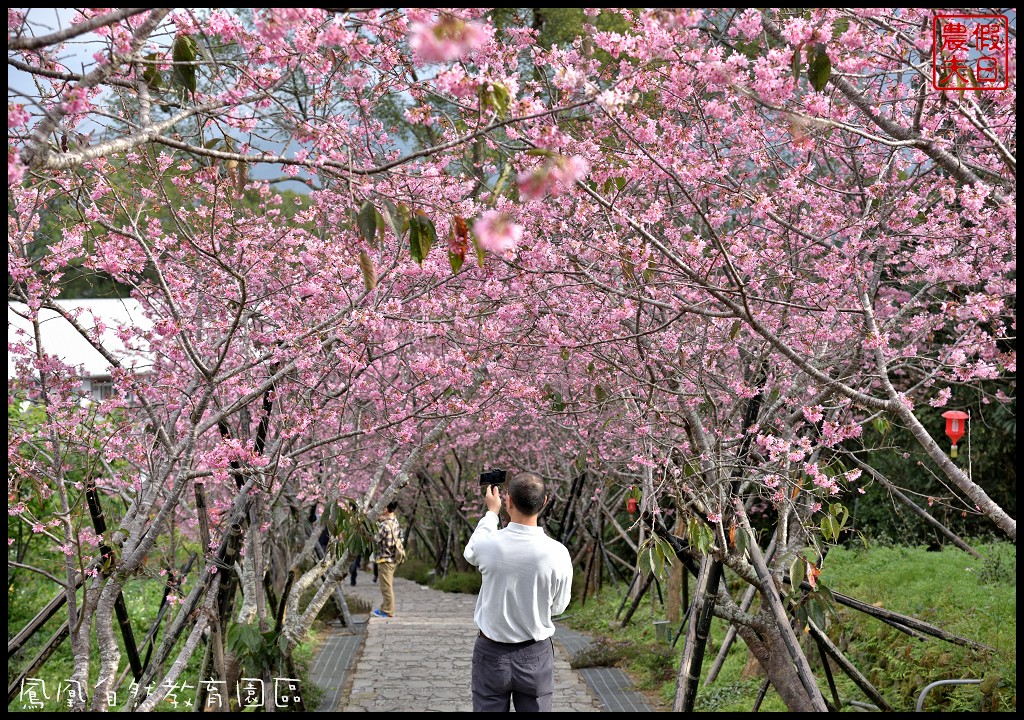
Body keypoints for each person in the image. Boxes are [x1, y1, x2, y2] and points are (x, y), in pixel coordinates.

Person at [464, 471, 574, 712]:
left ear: (509, 501)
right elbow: (558, 607)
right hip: (535, 652)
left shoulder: (488, 544)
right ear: (544, 502)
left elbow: (470, 552)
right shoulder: (558, 553)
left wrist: (491, 513)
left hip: (491, 651)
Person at [372, 499, 402, 618]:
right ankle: (385, 608)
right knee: (387, 585)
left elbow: (375, 539)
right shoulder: (395, 521)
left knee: (386, 587)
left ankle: (388, 610)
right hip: (393, 558)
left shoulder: (384, 525)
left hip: (385, 559)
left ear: (385, 509)